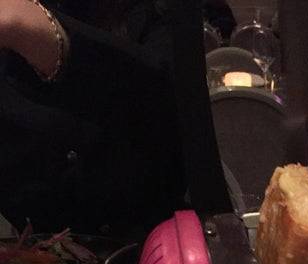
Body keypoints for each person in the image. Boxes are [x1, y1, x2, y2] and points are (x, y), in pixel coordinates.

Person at [0, 0, 186, 239]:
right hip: (31, 253)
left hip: (147, 253)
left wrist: (43, 34)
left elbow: (168, 113)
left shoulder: (163, 15)